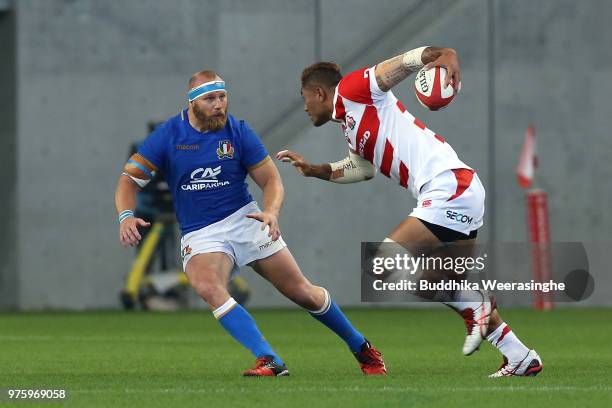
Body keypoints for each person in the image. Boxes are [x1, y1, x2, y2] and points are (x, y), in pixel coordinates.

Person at [277, 46, 542, 377]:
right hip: (460, 189)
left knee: (385, 266)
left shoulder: (353, 90)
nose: (304, 107)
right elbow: (361, 169)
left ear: (319, 92)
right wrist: (314, 169)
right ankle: (520, 356)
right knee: (451, 287)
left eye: (305, 98)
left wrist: (443, 54)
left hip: (448, 186)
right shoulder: (350, 123)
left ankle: (479, 305)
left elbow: (398, 66)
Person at [114, 70, 386, 376]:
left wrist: (271, 212)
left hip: (246, 219)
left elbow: (272, 180)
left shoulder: (238, 132)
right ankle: (268, 359)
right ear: (192, 103)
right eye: (209, 99)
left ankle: (361, 347)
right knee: (207, 286)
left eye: (222, 97)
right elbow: (128, 181)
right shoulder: (168, 136)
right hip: (202, 232)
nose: (219, 105)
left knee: (302, 292)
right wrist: (126, 216)